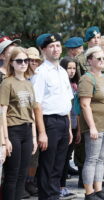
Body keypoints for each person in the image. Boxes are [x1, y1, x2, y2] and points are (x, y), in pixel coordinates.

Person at [32, 33, 73, 199]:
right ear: (43, 50)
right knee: (47, 164)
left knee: (59, 164)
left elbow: (66, 102)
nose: (56, 49)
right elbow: (37, 104)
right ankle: (46, 196)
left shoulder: (62, 71)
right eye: (51, 46)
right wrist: (42, 132)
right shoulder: (41, 72)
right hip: (49, 122)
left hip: (63, 121)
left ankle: (54, 194)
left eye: (58, 46)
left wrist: (69, 128)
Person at [78, 46, 104, 200]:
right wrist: (92, 127)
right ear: (90, 61)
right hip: (96, 126)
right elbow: (84, 105)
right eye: (99, 58)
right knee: (92, 159)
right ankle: (89, 193)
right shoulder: (87, 78)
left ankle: (98, 190)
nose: (102, 61)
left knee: (101, 159)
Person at [0, 47, 38, 200]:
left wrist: (34, 136)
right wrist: (5, 140)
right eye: (19, 61)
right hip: (12, 129)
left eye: (26, 60)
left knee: (23, 174)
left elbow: (32, 111)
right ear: (12, 63)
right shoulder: (7, 83)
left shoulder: (29, 83)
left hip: (28, 131)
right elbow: (2, 112)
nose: (23, 64)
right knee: (12, 174)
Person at [74, 26, 101, 188]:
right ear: (87, 41)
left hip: (99, 105)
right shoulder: (81, 60)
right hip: (85, 102)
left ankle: (94, 179)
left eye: (98, 37)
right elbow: (78, 83)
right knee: (83, 143)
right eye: (93, 38)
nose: (96, 40)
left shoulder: (101, 57)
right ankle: (82, 178)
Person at [59, 57, 80, 199]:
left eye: (73, 68)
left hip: (74, 125)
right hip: (64, 125)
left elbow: (77, 109)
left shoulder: (76, 85)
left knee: (67, 158)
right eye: (69, 68)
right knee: (61, 158)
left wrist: (78, 129)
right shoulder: (61, 83)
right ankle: (59, 187)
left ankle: (63, 186)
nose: (71, 71)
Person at [23, 46, 42, 198]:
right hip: (24, 120)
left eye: (36, 60)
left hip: (38, 119)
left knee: (35, 156)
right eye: (30, 60)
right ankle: (23, 183)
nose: (33, 62)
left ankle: (30, 181)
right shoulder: (21, 77)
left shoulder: (39, 76)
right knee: (26, 155)